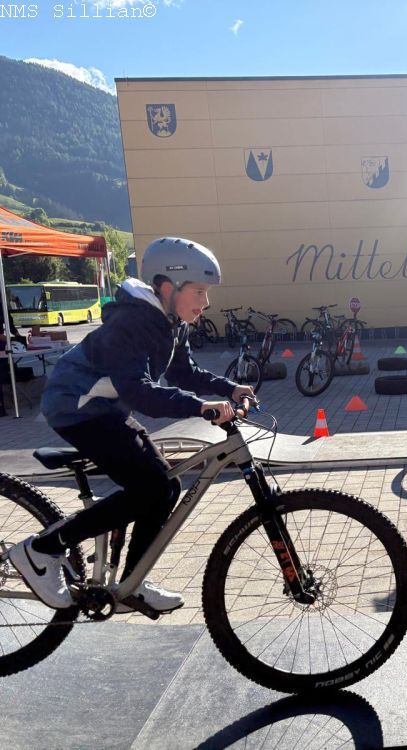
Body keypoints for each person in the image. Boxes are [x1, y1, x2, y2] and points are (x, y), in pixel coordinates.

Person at [8, 237, 254, 612]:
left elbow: (183, 372)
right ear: (168, 288)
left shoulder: (171, 323)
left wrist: (229, 388)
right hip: (76, 406)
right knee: (150, 487)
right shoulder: (131, 322)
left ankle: (131, 585)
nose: (206, 302)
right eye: (199, 291)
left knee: (166, 487)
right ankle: (41, 550)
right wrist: (201, 407)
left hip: (105, 408)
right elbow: (139, 393)